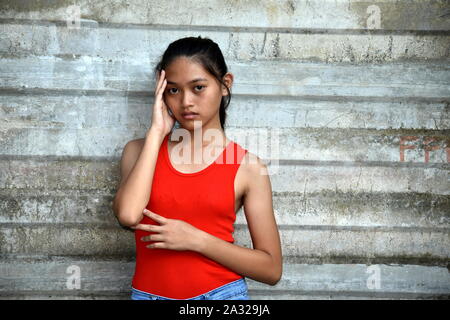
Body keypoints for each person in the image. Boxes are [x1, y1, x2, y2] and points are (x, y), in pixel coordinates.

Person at [112, 36, 282, 300]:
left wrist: (196, 240)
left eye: (198, 87)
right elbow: (128, 216)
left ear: (225, 85)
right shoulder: (138, 151)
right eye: (174, 90)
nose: (186, 102)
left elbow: (271, 269)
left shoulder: (248, 167)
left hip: (221, 296)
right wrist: (156, 133)